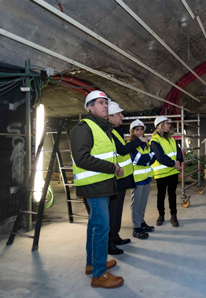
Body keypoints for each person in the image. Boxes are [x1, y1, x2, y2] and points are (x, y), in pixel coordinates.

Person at [70, 90, 123, 289]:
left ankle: (92, 264)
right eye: (100, 103)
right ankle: (99, 275)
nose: (105, 106)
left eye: (106, 103)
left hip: (103, 185)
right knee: (102, 227)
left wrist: (114, 170)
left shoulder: (102, 128)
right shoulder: (83, 128)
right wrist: (112, 168)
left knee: (95, 226)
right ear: (90, 107)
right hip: (94, 187)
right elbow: (82, 158)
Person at [107, 101, 147, 254]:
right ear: (110, 117)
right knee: (112, 211)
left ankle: (115, 236)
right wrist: (139, 141)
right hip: (115, 176)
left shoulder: (116, 130)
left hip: (123, 176)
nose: (122, 116)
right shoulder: (110, 131)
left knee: (117, 211)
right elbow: (122, 150)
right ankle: (109, 243)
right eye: (118, 114)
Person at [150, 115, 184, 227]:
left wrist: (179, 160)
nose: (169, 125)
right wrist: (174, 164)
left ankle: (173, 216)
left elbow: (178, 151)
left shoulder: (171, 139)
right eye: (166, 123)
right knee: (161, 196)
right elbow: (160, 156)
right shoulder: (155, 140)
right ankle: (161, 215)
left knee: (172, 195)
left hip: (173, 172)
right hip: (162, 173)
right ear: (160, 126)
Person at [129, 119, 156, 239]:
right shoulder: (132, 145)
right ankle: (136, 228)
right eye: (137, 130)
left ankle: (141, 222)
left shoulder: (146, 144)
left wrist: (147, 157)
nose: (140, 131)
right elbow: (139, 159)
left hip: (147, 178)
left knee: (143, 203)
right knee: (136, 204)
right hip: (137, 179)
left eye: (141, 129)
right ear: (133, 132)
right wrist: (148, 158)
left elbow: (153, 157)